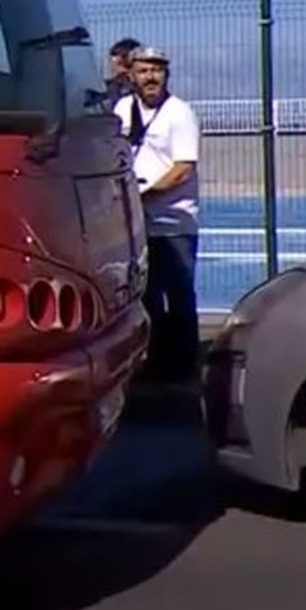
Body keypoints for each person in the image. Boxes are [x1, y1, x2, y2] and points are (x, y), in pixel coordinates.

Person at [114, 46, 202, 387]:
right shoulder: (123, 109)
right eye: (143, 71)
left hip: (173, 223)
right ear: (131, 75)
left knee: (179, 295)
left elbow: (183, 168)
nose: (150, 77)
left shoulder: (180, 113)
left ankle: (184, 367)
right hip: (135, 225)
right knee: (145, 296)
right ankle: (152, 362)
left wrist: (144, 195)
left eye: (156, 70)